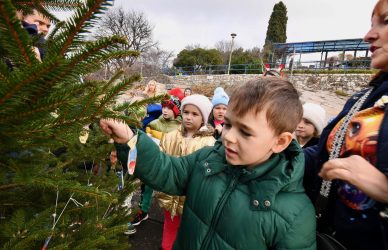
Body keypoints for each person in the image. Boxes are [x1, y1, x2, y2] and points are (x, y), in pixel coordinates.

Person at [100, 77, 316, 249]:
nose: (229, 137)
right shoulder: (208, 159)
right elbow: (168, 171)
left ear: (280, 142)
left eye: (246, 132)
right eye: (229, 125)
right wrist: (129, 138)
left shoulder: (296, 216)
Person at [303, 0, 388, 249]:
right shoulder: (365, 96)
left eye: (387, 20)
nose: (369, 35)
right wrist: (280, 155)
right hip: (329, 237)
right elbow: (326, 152)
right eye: (370, 24)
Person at [155, 94, 215, 250]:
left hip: (192, 201)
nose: (189, 117)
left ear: (204, 118)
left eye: (195, 114)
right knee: (169, 230)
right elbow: (162, 163)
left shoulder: (209, 143)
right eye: (186, 112)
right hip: (170, 196)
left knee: (190, 235)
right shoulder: (169, 137)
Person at [126, 97, 182, 235]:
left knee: (171, 193)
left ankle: (172, 220)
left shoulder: (181, 128)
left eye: (169, 108)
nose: (165, 110)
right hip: (155, 162)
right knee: (147, 185)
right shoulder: (153, 124)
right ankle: (143, 210)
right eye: (163, 107)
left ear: (176, 111)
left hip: (172, 164)